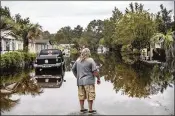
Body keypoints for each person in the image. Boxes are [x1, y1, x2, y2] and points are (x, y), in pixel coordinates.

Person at [72, 48, 101, 114]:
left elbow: (73, 69)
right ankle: (90, 110)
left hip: (80, 81)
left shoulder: (78, 60)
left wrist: (77, 76)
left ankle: (82, 109)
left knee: (81, 95)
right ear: (88, 53)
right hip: (89, 82)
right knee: (90, 95)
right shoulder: (90, 60)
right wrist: (98, 79)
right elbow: (95, 72)